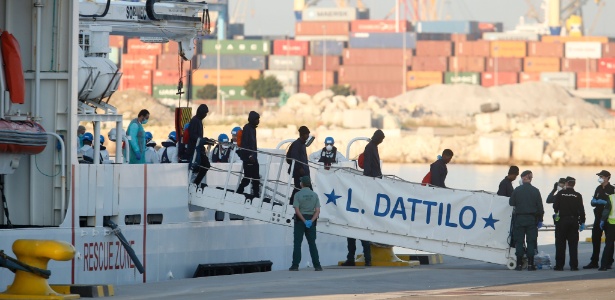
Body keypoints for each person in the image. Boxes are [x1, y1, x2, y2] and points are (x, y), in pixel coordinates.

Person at [509, 170, 544, 271]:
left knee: (519, 241)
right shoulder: (536, 191)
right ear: (530, 178)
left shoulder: (517, 190)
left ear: (523, 178)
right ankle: (530, 265)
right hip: (531, 220)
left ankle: (519, 264)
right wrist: (540, 220)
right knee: (531, 242)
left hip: (519, 219)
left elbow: (511, 203)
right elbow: (540, 208)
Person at [289, 176, 322, 272]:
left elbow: (297, 210)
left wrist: (303, 220)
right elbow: (318, 210)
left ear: (302, 183)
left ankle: (295, 266)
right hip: (311, 220)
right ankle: (317, 266)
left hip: (300, 221)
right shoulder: (314, 195)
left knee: (297, 243)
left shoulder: (298, 195)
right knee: (312, 244)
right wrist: (311, 221)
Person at [553, 176, 586, 271]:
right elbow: (581, 210)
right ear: (574, 184)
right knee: (573, 245)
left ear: (567, 183)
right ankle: (574, 266)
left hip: (562, 221)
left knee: (560, 244)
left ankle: (559, 266)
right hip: (573, 221)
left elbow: (555, 207)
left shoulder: (560, 194)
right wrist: (582, 222)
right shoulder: (578, 195)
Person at [584, 170, 615, 269]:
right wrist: (594, 202)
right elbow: (594, 201)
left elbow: (611, 203)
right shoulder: (598, 188)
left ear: (606, 178)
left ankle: (608, 261)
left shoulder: (612, 189)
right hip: (598, 217)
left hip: (608, 219)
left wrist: (603, 202)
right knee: (595, 239)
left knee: (609, 241)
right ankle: (594, 261)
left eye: (601, 176)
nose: (600, 178)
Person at [236, 111, 260, 197]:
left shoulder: (253, 129)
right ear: (253, 119)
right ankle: (239, 191)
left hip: (253, 157)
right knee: (248, 177)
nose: (258, 121)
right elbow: (245, 143)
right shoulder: (247, 128)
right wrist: (250, 155)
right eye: (257, 119)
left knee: (256, 177)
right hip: (248, 157)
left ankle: (256, 194)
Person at [188, 104, 212, 187]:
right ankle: (195, 184)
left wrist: (205, 139)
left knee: (205, 165)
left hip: (199, 147)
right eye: (205, 113)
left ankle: (196, 183)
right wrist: (203, 140)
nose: (205, 115)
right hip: (195, 148)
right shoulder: (195, 120)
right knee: (205, 165)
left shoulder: (198, 120)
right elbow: (193, 135)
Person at [287, 126, 311, 205]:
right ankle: (291, 204)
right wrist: (300, 168)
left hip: (304, 172)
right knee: (298, 188)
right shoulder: (297, 144)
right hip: (299, 172)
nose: (308, 136)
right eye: (307, 134)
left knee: (300, 188)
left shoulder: (302, 144)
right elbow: (294, 157)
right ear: (303, 134)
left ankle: (292, 204)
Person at [599, 190, 615, 271]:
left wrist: (602, 220)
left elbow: (606, 211)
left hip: (612, 225)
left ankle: (603, 265)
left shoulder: (611, 197)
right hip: (611, 224)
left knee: (608, 245)